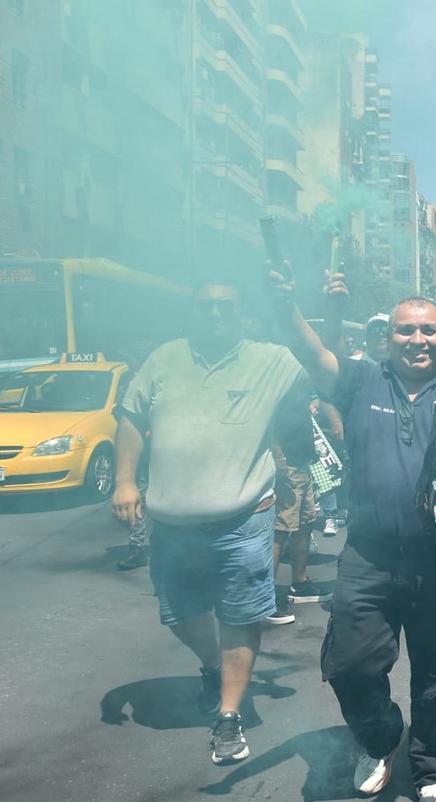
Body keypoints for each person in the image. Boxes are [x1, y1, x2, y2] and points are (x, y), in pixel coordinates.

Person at [269, 267, 436, 802]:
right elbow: (312, 352)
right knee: (350, 663)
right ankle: (381, 736)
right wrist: (287, 308)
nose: (418, 340)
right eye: (405, 331)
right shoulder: (361, 380)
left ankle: (434, 771)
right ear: (387, 338)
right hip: (369, 556)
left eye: (429, 331)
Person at [112, 279, 305, 766]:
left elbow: (320, 358)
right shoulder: (164, 358)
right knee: (177, 612)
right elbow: (131, 416)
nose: (216, 315)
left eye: (226, 307)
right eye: (206, 307)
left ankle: (229, 715)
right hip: (172, 525)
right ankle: (214, 665)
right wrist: (125, 481)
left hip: (244, 519)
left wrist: (311, 302)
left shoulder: (271, 358)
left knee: (241, 615)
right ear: (192, 313)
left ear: (242, 315)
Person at [266, 384, 331, 626]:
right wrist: (279, 459)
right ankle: (265, 596)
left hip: (303, 465)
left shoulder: (300, 386)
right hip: (289, 467)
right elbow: (270, 426)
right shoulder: (280, 386)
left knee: (306, 522)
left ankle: (300, 583)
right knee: (282, 528)